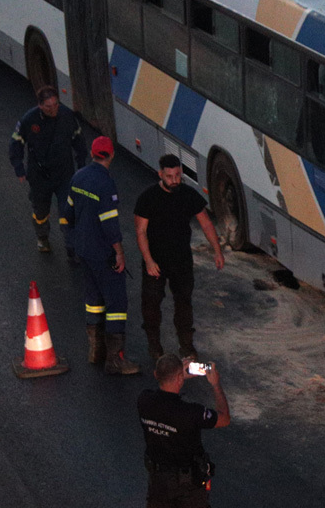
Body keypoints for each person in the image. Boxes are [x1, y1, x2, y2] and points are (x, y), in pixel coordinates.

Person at [135, 155, 225, 361]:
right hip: (155, 263)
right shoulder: (148, 198)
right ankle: (154, 346)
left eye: (177, 175)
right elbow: (140, 231)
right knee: (151, 307)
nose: (174, 180)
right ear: (160, 174)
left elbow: (206, 223)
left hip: (182, 262)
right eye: (169, 176)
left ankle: (186, 346)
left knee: (184, 305)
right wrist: (149, 261)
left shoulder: (188, 195)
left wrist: (217, 251)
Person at [65, 135, 141, 375]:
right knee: (116, 302)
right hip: (102, 253)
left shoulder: (78, 177)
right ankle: (115, 359)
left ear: (92, 152)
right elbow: (110, 225)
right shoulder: (105, 184)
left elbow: (68, 213)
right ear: (111, 155)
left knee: (93, 299)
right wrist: (119, 253)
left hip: (84, 250)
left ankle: (95, 351)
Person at [139, 354, 230, 508]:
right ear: (180, 378)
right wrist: (215, 385)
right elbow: (224, 419)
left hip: (158, 482)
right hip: (188, 486)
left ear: (156, 375)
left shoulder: (143, 400)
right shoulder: (191, 412)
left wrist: (177, 376)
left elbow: (161, 392)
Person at [9, 85, 88, 257]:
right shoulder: (29, 120)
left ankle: (72, 248)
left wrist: (81, 165)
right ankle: (42, 237)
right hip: (39, 177)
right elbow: (16, 143)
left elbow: (79, 141)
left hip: (64, 174)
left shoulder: (67, 116)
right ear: (40, 106)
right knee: (41, 212)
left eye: (56, 105)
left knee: (68, 211)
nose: (53, 110)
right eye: (48, 107)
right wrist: (19, 168)